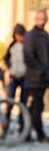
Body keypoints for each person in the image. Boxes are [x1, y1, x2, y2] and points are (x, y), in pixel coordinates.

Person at [24, 9, 49, 143]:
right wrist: (41, 70)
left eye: (44, 18)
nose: (42, 20)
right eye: (39, 18)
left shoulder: (45, 35)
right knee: (34, 107)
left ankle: (33, 133)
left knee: (38, 106)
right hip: (34, 78)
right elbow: (28, 57)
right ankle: (36, 133)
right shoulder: (30, 36)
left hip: (44, 78)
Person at [5, 24, 28, 133]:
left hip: (24, 77)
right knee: (10, 102)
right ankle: (5, 126)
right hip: (14, 77)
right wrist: (10, 68)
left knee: (23, 103)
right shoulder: (12, 46)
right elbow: (6, 58)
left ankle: (21, 127)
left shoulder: (27, 45)